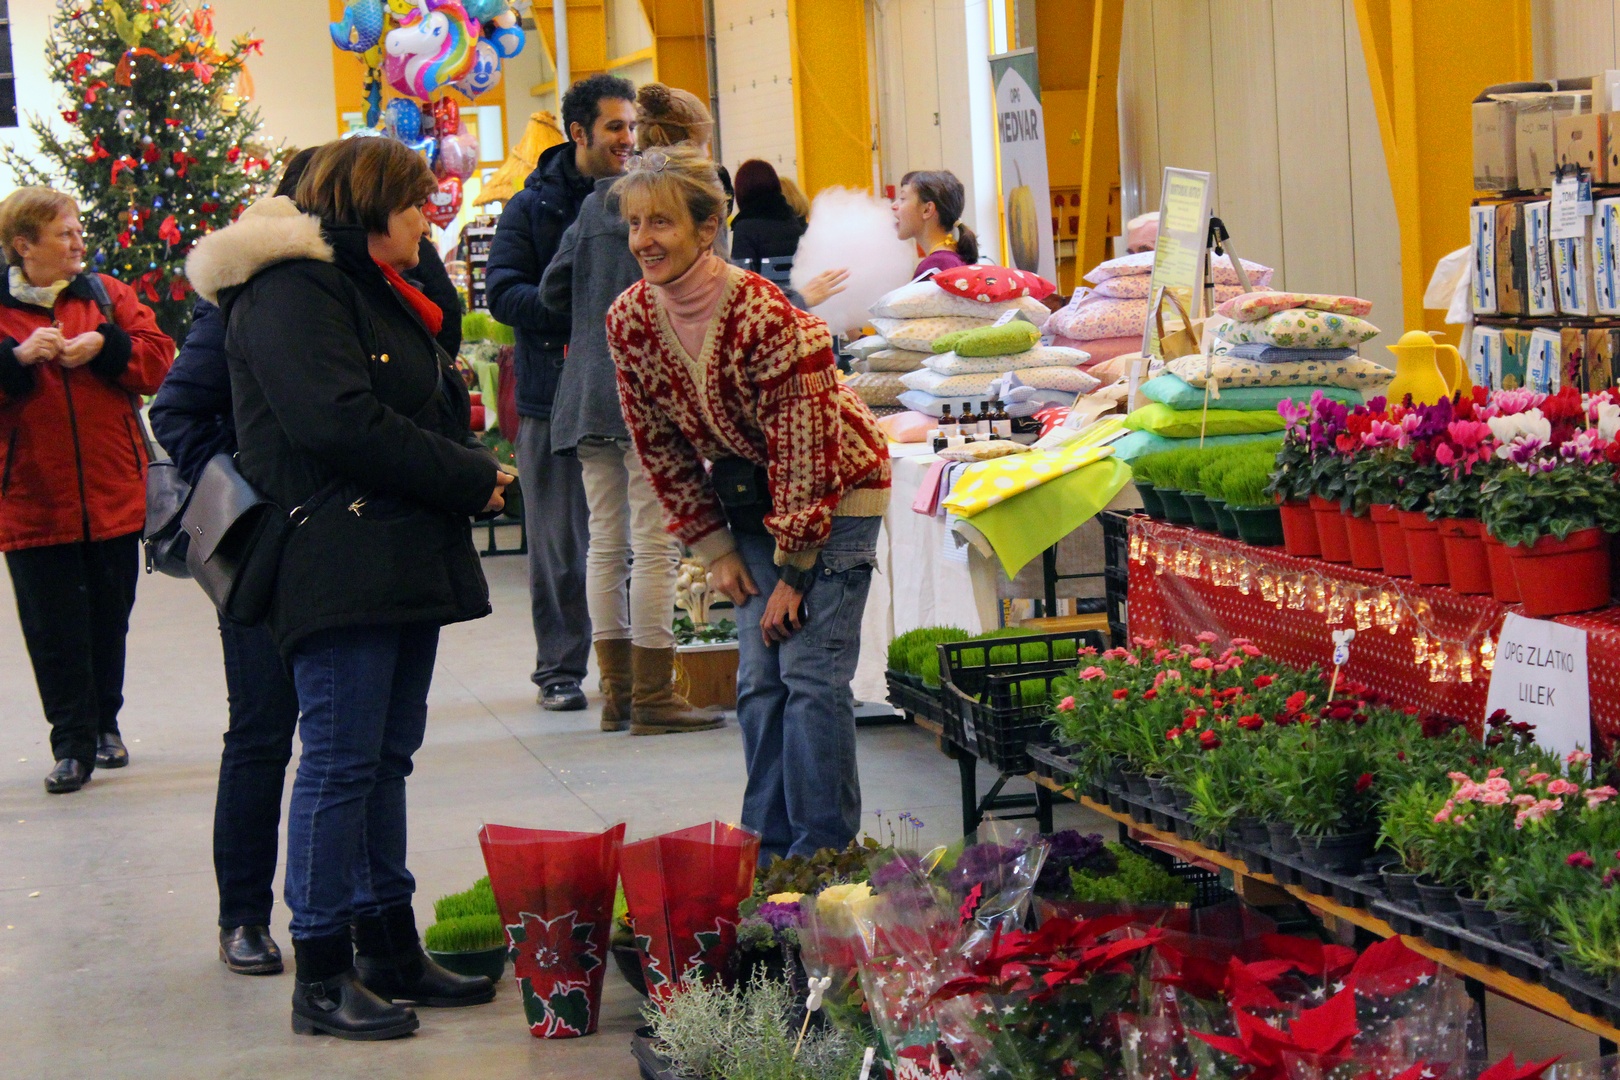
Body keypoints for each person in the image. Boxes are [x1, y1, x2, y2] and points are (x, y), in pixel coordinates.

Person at [185, 137, 505, 1039]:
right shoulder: (289, 288)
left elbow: (428, 351)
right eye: (414, 204)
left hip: (391, 552)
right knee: (337, 762)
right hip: (337, 556)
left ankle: (387, 944)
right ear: (370, 205)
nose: (428, 219)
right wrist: (462, 472)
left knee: (383, 758)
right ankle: (321, 970)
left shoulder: (363, 282)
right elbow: (338, 420)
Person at [604, 146, 891, 860]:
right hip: (753, 501)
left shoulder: (766, 314)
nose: (645, 239)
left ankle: (826, 860)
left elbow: (806, 448)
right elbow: (658, 444)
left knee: (809, 678)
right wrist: (718, 550)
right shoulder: (631, 320)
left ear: (708, 229)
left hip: (839, 489)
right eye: (636, 224)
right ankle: (767, 855)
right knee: (759, 684)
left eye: (662, 222)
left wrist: (793, 572)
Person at [540, 82, 727, 736]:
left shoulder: (599, 204)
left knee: (606, 544)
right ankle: (652, 695)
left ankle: (616, 694)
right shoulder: (695, 201)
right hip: (651, 393)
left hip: (586, 392)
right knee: (655, 545)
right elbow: (715, 296)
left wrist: (594, 314)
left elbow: (551, 287)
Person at [0, 187, 174, 795]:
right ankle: (70, 744)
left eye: (77, 230)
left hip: (111, 495)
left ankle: (107, 726)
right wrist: (15, 361)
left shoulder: (108, 297)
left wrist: (108, 345)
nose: (78, 242)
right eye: (63, 233)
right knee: (52, 627)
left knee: (108, 618)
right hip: (30, 501)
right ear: (24, 245)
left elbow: (157, 360)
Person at [486, 73, 637, 712]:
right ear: (579, 133)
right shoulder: (531, 207)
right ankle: (560, 671)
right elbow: (502, 294)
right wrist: (583, 310)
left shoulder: (641, 197)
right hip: (552, 397)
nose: (629, 139)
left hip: (633, 396)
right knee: (559, 545)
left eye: (634, 127)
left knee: (636, 542)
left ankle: (635, 669)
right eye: (615, 128)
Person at [893, 169, 980, 277]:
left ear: (927, 210)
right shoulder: (950, 258)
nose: (893, 206)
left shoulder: (936, 266)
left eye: (902, 199)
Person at [729, 159, 806, 267]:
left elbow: (741, 276)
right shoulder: (793, 221)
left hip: (763, 283)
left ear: (742, 191)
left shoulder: (745, 228)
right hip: (798, 283)